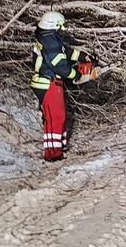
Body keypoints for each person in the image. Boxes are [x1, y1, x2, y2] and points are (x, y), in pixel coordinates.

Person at [29, 11, 97, 162]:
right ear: (54, 25)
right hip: (48, 82)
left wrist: (82, 56)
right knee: (55, 118)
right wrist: (76, 75)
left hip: (51, 82)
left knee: (59, 116)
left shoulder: (49, 38)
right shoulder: (49, 40)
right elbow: (59, 65)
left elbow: (66, 52)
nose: (63, 29)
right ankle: (53, 154)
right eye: (61, 26)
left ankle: (59, 146)